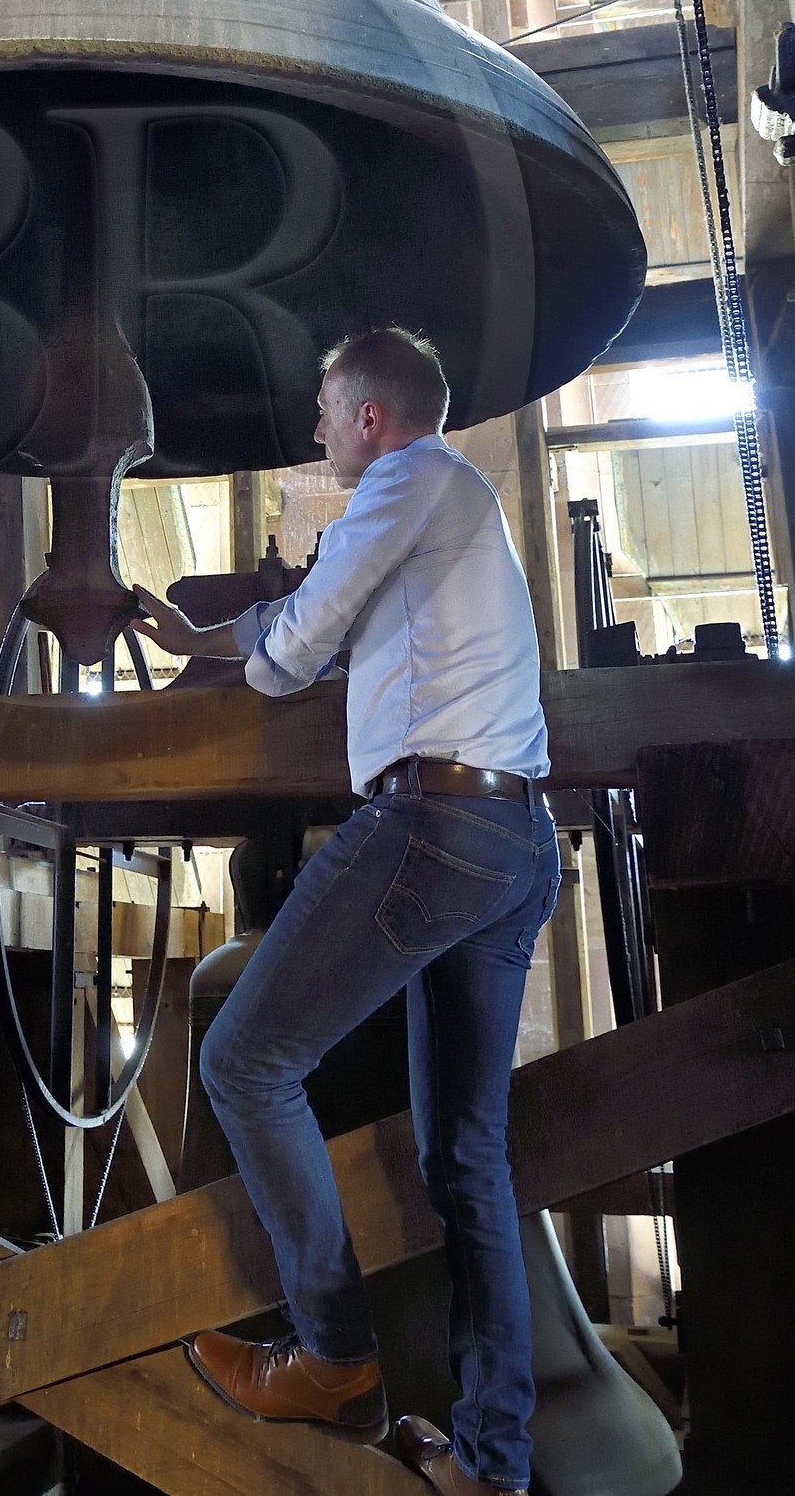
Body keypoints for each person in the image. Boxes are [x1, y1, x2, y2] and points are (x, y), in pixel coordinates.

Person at [133, 326, 560, 1496]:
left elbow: (294, 652)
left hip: (432, 824)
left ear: (370, 416)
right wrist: (196, 635)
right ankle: (492, 1465)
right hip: (511, 837)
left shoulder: (406, 477)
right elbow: (313, 617)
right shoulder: (447, 503)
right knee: (465, 1158)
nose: (318, 430)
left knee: (244, 1059)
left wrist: (247, 655)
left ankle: (334, 1358)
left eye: (326, 411)